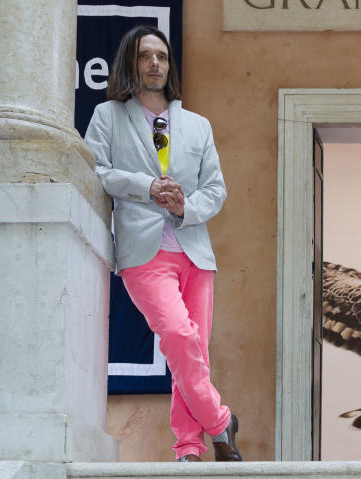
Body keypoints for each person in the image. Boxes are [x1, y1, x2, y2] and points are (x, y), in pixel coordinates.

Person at [84, 25, 241, 462]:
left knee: (190, 352)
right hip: (143, 252)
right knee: (178, 335)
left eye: (162, 56)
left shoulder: (197, 125)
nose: (155, 63)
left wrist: (183, 206)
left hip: (195, 250)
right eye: (145, 56)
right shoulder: (108, 116)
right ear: (130, 63)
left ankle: (189, 448)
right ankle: (222, 422)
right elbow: (95, 170)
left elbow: (216, 189)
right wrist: (147, 186)